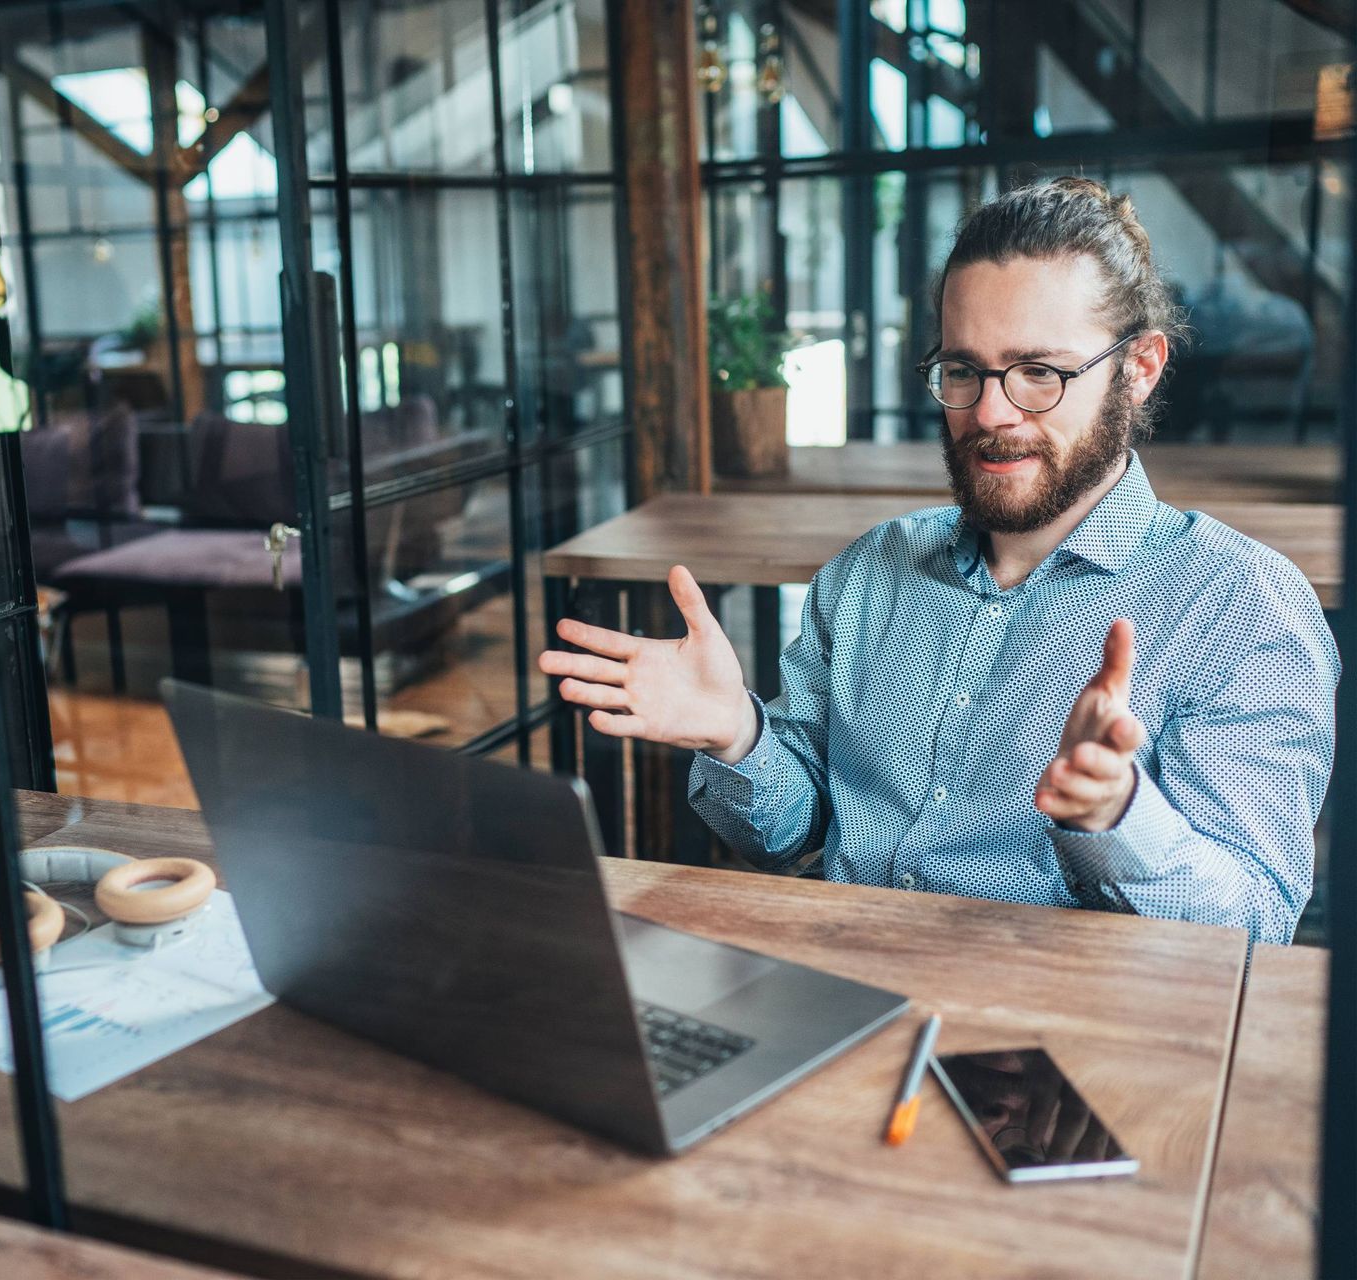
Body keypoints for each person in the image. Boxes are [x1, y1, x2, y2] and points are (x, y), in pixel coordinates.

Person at [539, 177, 1338, 944]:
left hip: (1055, 1051)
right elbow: (795, 835)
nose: (991, 412)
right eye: (963, 370)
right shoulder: (868, 573)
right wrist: (739, 736)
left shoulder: (1243, 608)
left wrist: (1120, 816)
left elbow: (1255, 929)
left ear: (1140, 367)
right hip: (842, 1001)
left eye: (1039, 374)